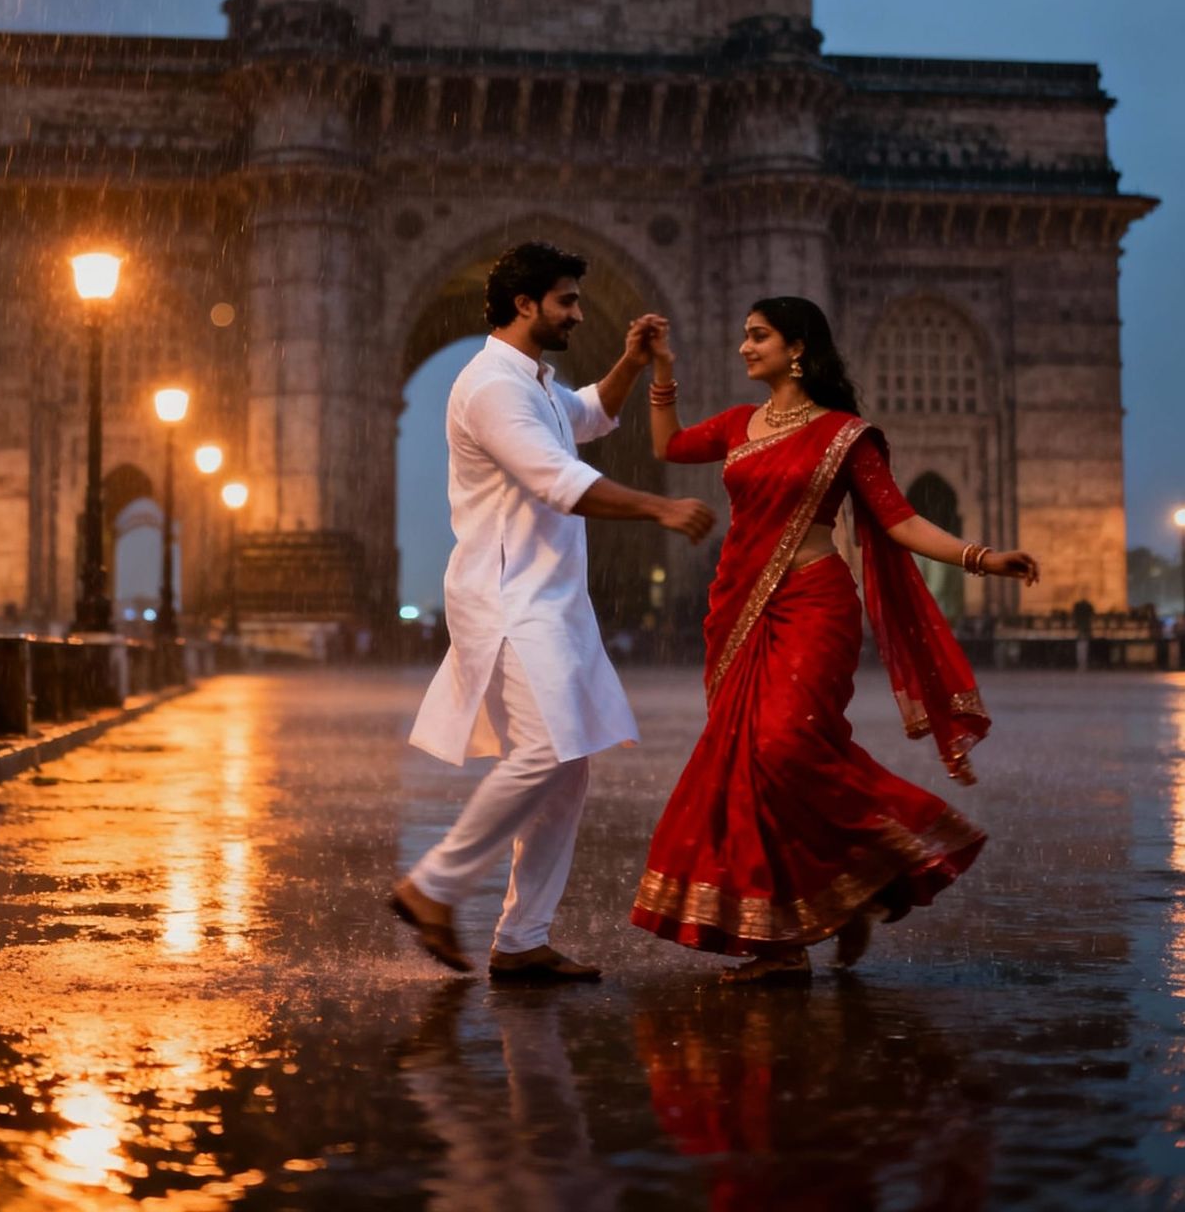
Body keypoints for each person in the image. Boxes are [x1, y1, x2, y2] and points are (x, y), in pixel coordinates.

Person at [628, 297, 1039, 983]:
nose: (743, 348)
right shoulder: (737, 425)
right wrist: (661, 368)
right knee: (750, 765)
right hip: (740, 608)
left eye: (756, 336)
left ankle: (886, 863)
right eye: (742, 336)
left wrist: (982, 557)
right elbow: (667, 446)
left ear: (797, 348)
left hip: (815, 604)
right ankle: (784, 940)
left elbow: (900, 521)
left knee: (783, 745)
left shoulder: (847, 435)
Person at [391, 241, 715, 982]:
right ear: (525, 305)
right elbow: (555, 478)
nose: (577, 312)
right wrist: (658, 507)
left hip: (548, 596)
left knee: (567, 767)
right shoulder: (490, 387)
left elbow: (590, 417)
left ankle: (522, 938)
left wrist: (631, 361)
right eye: (567, 300)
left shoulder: (532, 380)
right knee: (543, 753)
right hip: (508, 597)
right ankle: (433, 887)